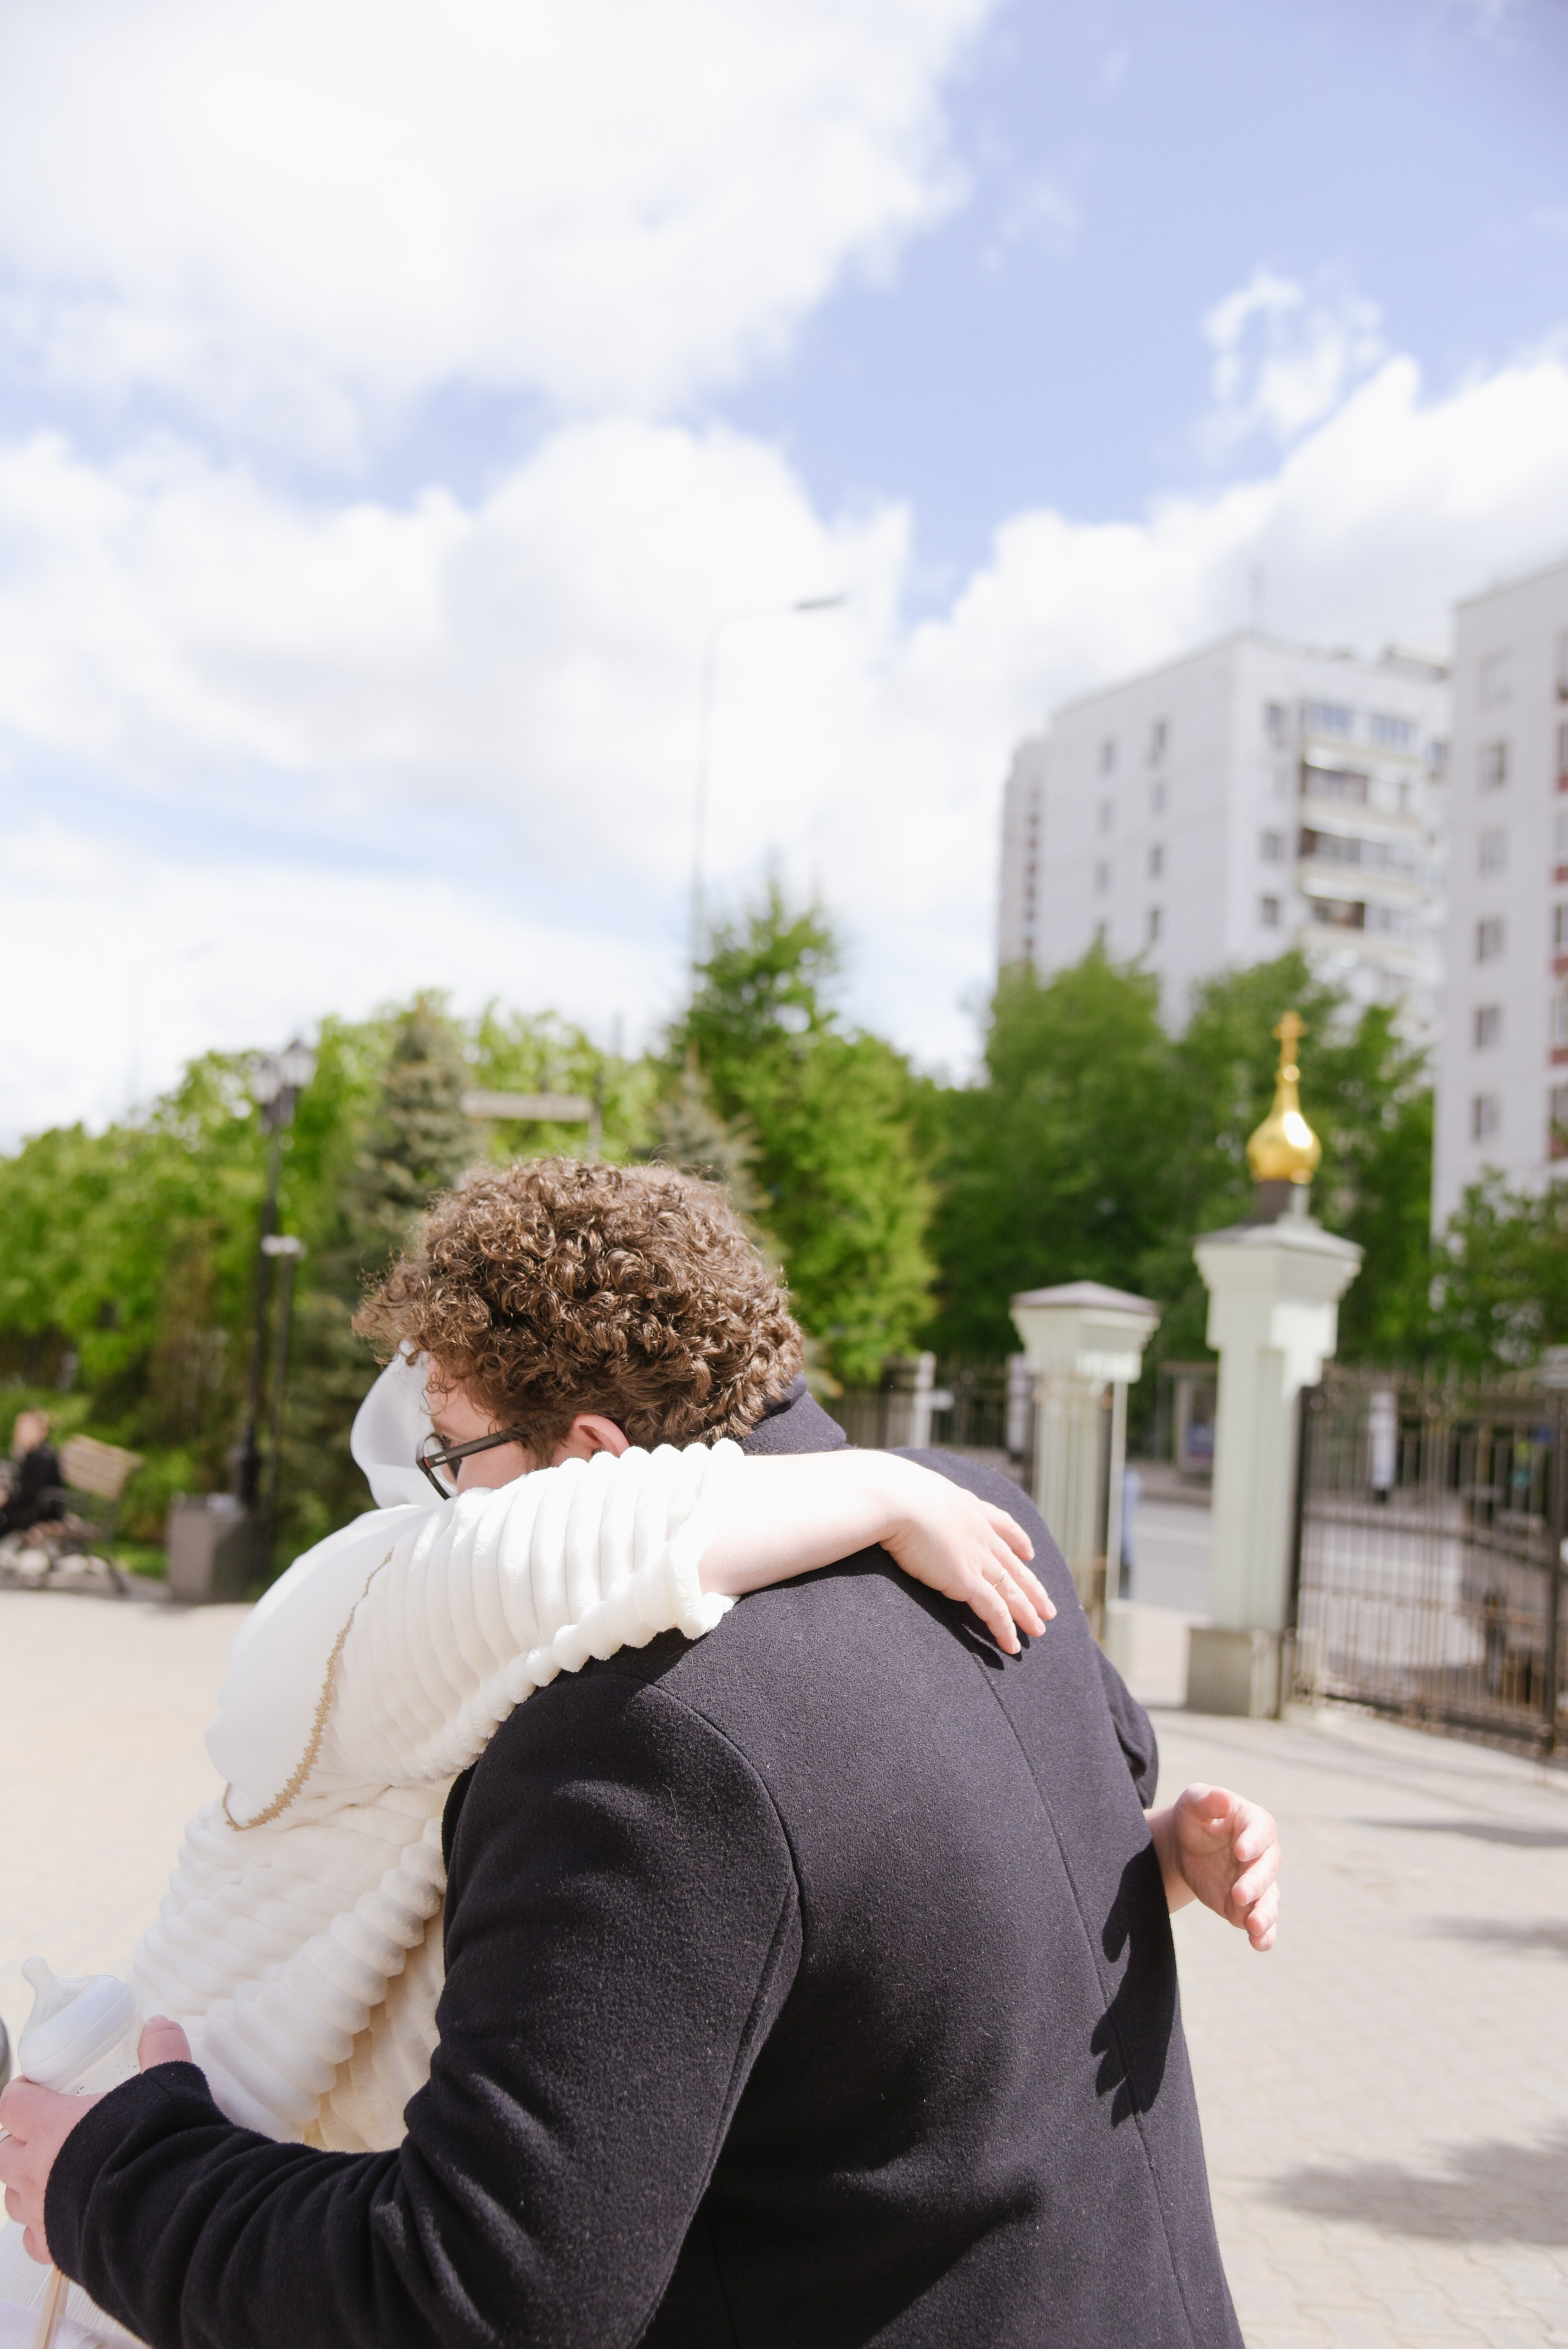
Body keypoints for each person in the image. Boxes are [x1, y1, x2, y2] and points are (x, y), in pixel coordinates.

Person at [2, 1160, 1279, 2348]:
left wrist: (106, 2178)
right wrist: (1145, 1862)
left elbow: (477, 2293)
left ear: (594, 1459)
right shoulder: (974, 1522)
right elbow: (983, 1857)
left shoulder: (644, 1733)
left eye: (452, 1451)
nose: (439, 1501)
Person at [0, 1412, 66, 1543]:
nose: (19, 1433)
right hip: (30, 1507)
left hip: (39, 1511)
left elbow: (30, 1492)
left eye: (25, 1429)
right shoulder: (33, 1454)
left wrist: (6, 1500)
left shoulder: (42, 1457)